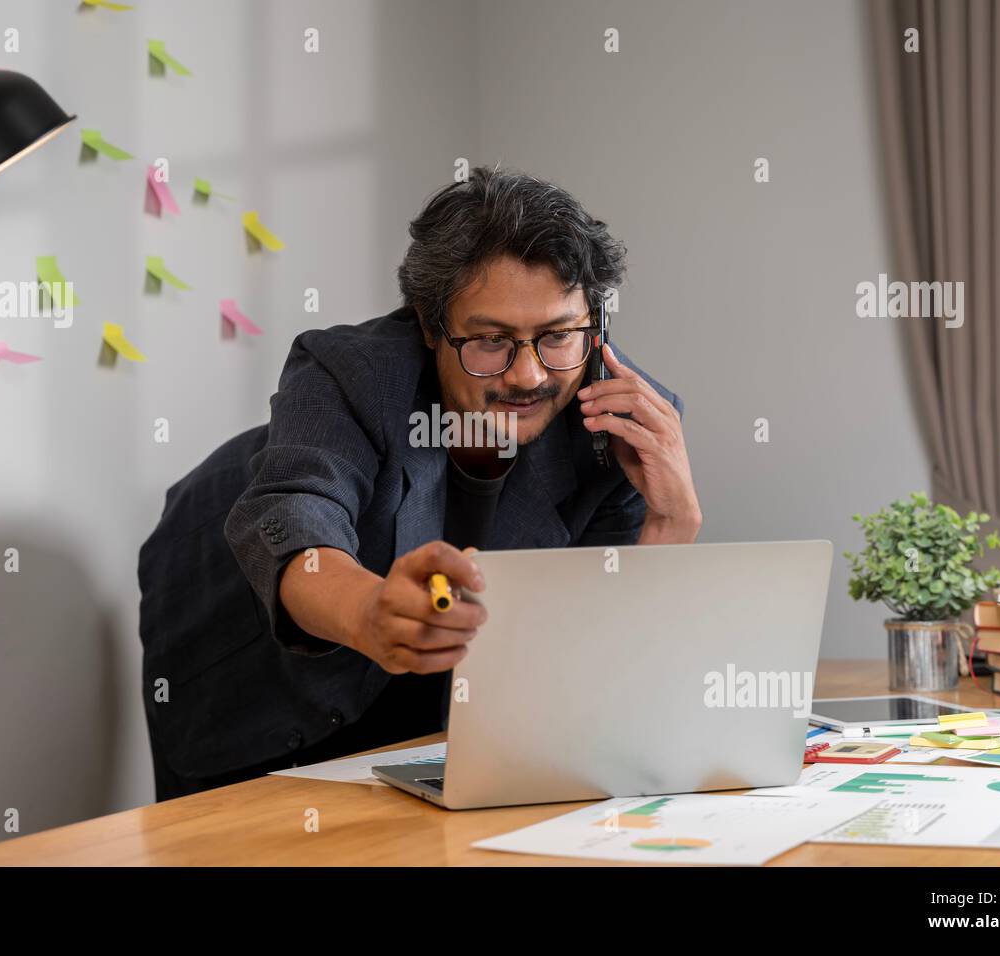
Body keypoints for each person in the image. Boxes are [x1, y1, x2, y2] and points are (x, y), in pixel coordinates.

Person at [138, 166, 701, 800]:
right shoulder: (350, 371)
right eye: (491, 340)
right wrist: (368, 612)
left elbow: (604, 660)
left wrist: (672, 524)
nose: (526, 374)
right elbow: (298, 510)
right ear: (429, 325)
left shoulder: (621, 425)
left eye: (556, 335)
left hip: (435, 673)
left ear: (592, 323)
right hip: (241, 626)